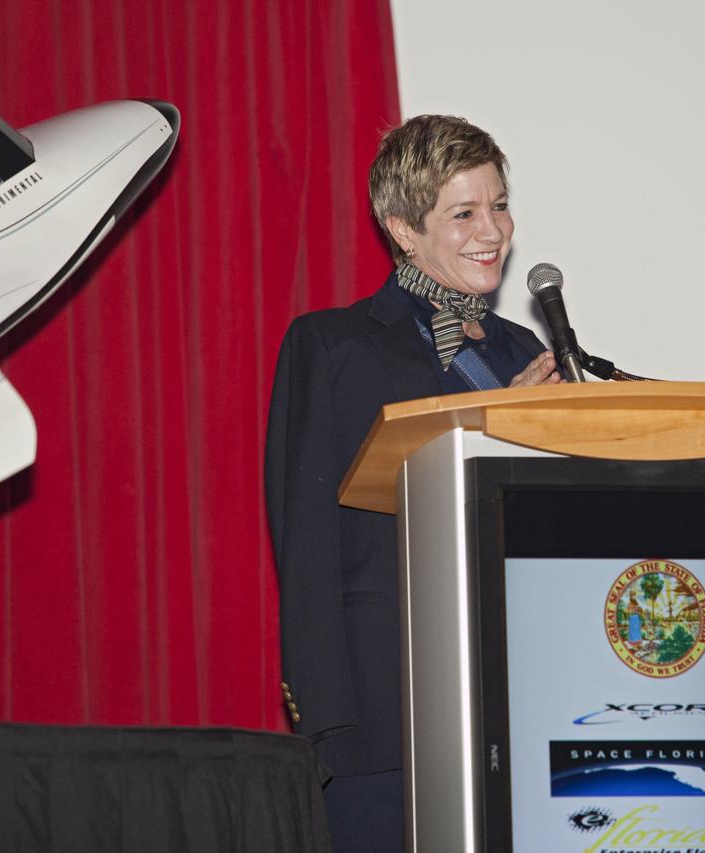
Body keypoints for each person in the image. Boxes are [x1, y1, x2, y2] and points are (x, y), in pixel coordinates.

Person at [265, 115, 559, 852]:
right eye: (463, 212)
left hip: (520, 704)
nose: (492, 229)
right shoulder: (330, 345)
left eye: (498, 203)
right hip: (383, 711)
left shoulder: (525, 349)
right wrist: (328, 719)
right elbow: (306, 538)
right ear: (402, 228)